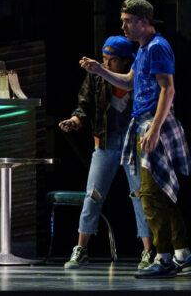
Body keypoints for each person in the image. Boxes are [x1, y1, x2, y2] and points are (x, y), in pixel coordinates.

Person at [81, 0, 189, 278]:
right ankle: (181, 253)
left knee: (150, 195)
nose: (123, 26)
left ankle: (163, 258)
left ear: (144, 21)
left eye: (128, 21)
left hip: (155, 124)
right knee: (163, 193)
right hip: (145, 123)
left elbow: (169, 90)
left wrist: (153, 129)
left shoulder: (157, 47)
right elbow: (129, 82)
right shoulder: (143, 50)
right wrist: (100, 70)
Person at [59, 35, 153, 269]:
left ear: (124, 62)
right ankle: (81, 249)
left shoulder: (137, 77)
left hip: (133, 144)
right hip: (106, 142)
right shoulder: (96, 77)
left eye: (111, 60)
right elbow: (84, 105)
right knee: (93, 195)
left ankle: (149, 251)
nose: (106, 64)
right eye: (104, 59)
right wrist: (74, 121)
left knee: (139, 196)